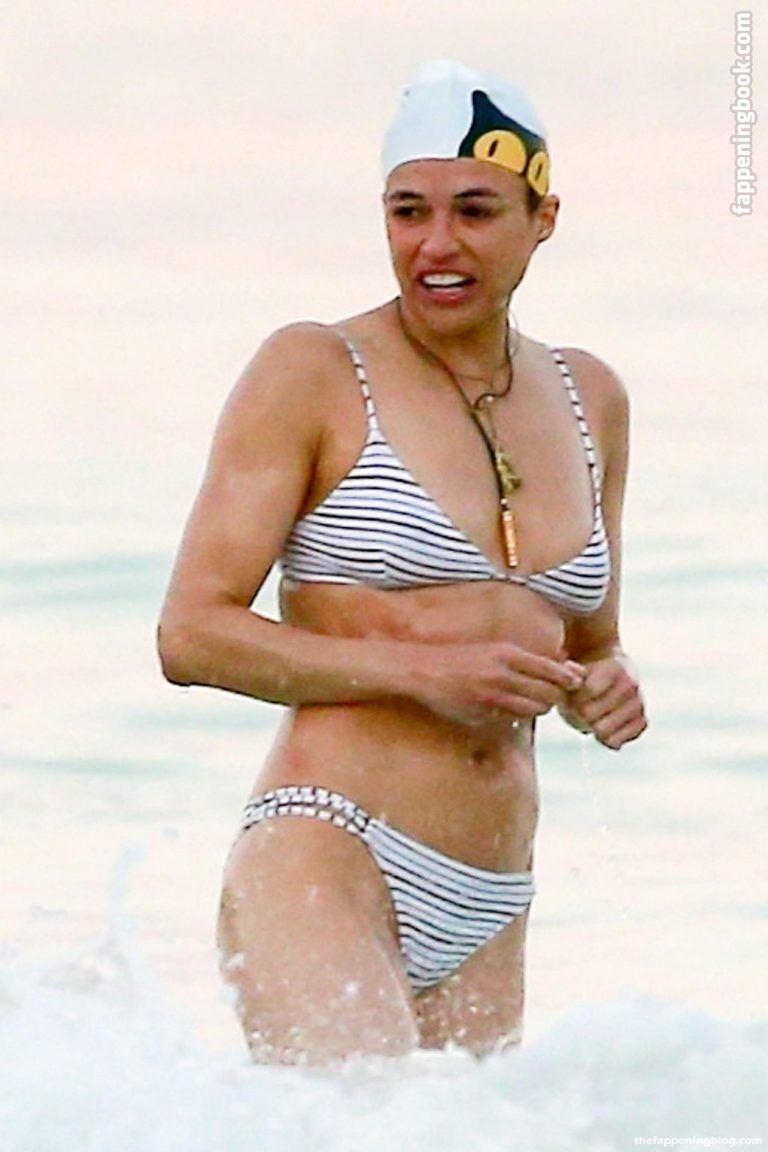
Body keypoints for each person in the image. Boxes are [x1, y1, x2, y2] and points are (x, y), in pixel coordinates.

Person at [157, 59, 647, 1066]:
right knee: (366, 1132)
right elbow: (191, 634)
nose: (436, 244)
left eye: (476, 210)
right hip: (329, 847)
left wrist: (606, 685)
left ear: (543, 218)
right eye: (408, 211)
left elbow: (588, 643)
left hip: (492, 894)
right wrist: (426, 673)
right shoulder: (313, 370)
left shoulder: (590, 397)